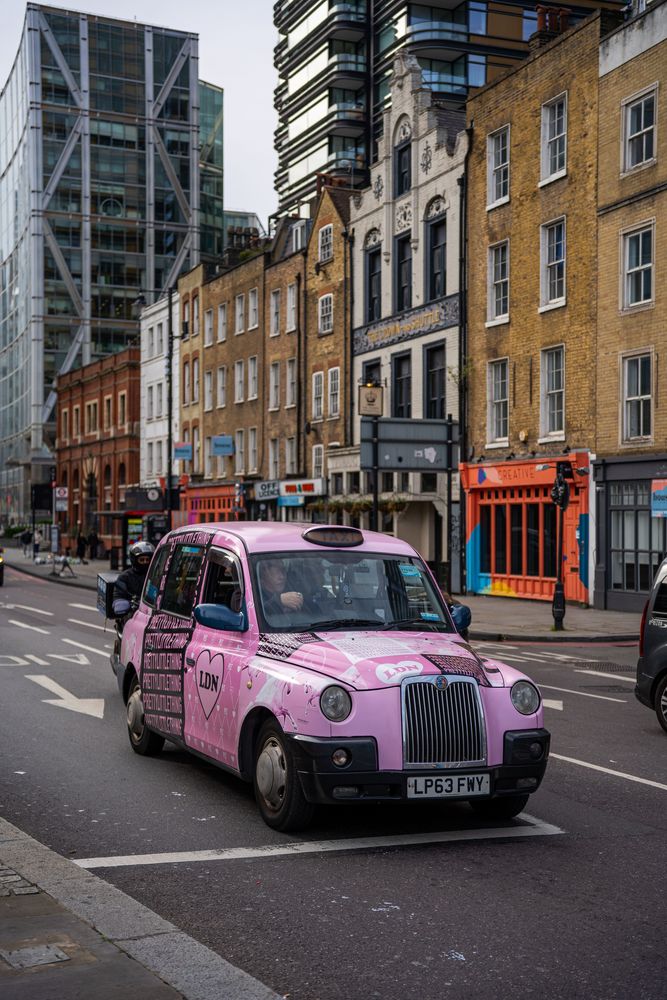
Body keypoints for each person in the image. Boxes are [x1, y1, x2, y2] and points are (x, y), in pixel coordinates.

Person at [112, 541, 155, 616]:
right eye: (141, 560)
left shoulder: (155, 576)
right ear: (134, 560)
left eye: (147, 560)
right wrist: (120, 603)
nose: (145, 562)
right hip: (131, 613)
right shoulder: (125, 577)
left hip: (151, 612)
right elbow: (118, 594)